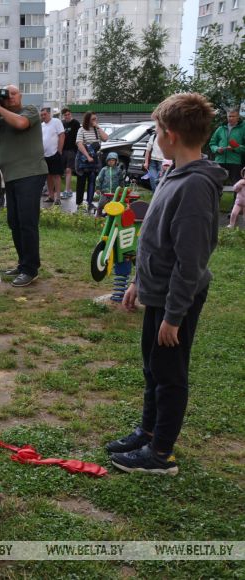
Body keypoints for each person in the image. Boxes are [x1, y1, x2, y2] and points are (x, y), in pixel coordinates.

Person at [108, 93, 225, 476]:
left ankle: (161, 454)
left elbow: (191, 260)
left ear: (170, 135)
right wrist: (138, 283)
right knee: (153, 369)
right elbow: (155, 240)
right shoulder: (174, 174)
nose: (155, 137)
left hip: (178, 299)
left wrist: (174, 316)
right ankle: (148, 432)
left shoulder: (195, 186)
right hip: (157, 291)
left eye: (157, 130)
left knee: (170, 376)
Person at [0, 85, 47, 288]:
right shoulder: (2, 119)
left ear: (20, 95)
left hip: (31, 173)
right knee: (14, 221)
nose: (11, 97)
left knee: (27, 222)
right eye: (7, 95)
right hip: (12, 177)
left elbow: (21, 123)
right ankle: (23, 264)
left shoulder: (29, 111)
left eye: (14, 93)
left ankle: (30, 269)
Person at [75, 112, 109, 212]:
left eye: (96, 119)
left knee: (92, 181)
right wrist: (87, 156)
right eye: (93, 119)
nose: (95, 121)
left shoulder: (96, 129)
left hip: (94, 160)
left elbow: (105, 138)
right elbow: (79, 144)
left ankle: (89, 202)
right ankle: (79, 204)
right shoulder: (81, 129)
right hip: (83, 160)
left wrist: (97, 127)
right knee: (81, 182)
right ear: (87, 120)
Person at [209, 108, 244, 185]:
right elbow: (212, 143)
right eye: (229, 116)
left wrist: (235, 148)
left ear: (238, 117)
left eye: (233, 116)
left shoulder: (243, 129)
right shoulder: (220, 129)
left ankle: (238, 194)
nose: (230, 118)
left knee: (237, 185)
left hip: (235, 162)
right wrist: (217, 149)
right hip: (220, 161)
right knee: (216, 184)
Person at [40, 107, 65, 204]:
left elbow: (62, 135)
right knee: (48, 176)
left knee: (56, 176)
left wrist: (59, 150)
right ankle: (51, 196)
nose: (43, 116)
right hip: (44, 155)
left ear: (49, 114)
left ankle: (58, 198)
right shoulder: (41, 125)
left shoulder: (56, 122)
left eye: (45, 114)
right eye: (42, 115)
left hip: (55, 153)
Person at [60, 108, 81, 199]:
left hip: (72, 150)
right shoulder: (62, 123)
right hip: (63, 150)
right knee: (63, 171)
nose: (67, 116)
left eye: (68, 114)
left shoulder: (75, 123)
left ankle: (67, 190)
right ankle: (69, 189)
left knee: (69, 170)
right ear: (63, 116)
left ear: (71, 114)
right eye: (65, 115)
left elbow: (79, 136)